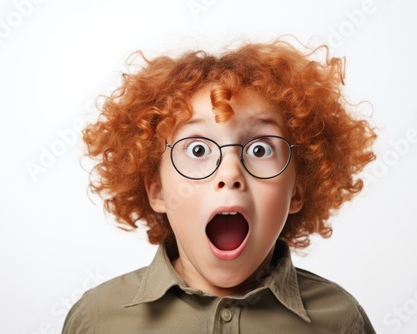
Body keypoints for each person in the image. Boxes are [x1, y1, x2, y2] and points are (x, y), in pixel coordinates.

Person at [63, 38, 377, 333]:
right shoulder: (98, 320)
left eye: (260, 149)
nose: (230, 173)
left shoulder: (341, 321)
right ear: (156, 190)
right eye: (198, 149)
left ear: (296, 191)